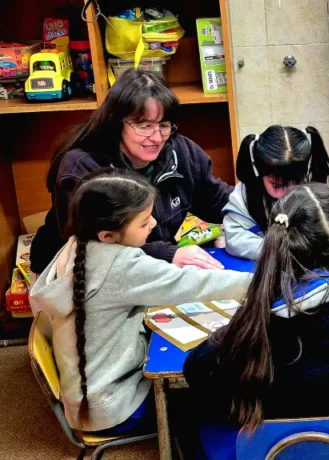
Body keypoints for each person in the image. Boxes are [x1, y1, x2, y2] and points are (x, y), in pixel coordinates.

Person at [184, 183, 329, 459]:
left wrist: (228, 331)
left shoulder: (263, 326)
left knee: (193, 411)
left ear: (280, 245)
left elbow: (197, 371)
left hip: (271, 450)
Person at [30, 169, 251, 433]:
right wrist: (263, 281)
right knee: (227, 395)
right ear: (107, 235)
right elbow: (194, 284)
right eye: (144, 222)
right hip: (117, 407)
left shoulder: (76, 246)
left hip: (88, 400)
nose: (154, 225)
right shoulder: (120, 265)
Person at [31, 70, 232, 273]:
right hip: (76, 276)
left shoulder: (181, 150)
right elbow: (95, 248)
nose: (156, 138)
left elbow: (217, 200)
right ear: (117, 122)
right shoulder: (82, 167)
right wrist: (167, 254)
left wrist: (257, 205)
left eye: (164, 125)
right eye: (144, 126)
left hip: (148, 268)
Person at [222, 125, 329, 259]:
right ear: (260, 170)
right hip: (263, 263)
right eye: (276, 185)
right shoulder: (243, 196)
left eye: (295, 183)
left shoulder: (312, 188)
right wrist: (279, 250)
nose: (285, 193)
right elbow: (235, 239)